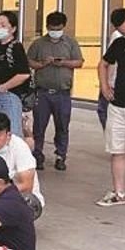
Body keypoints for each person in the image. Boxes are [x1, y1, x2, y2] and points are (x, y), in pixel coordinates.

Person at [27, 11, 84, 171]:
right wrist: (42, 64)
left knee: (62, 126)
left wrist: (64, 62)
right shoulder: (38, 44)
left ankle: (61, 156)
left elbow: (79, 62)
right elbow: (29, 61)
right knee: (39, 127)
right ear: (47, 27)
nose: (55, 31)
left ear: (63, 27)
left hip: (62, 93)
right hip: (42, 92)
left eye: (58, 28)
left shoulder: (70, 43)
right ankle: (37, 155)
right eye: (52, 28)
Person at [97, 16, 125, 206]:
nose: (118, 27)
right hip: (118, 105)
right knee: (118, 150)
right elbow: (103, 64)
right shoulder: (119, 43)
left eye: (121, 22)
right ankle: (119, 193)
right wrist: (104, 86)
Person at [0, 11, 31, 137]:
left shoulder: (15, 47)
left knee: (12, 134)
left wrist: (4, 87)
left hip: (9, 96)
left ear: (13, 29)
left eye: (3, 25)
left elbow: (24, 74)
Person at [98, 8, 125, 129]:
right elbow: (104, 64)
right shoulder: (119, 40)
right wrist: (105, 86)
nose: (121, 29)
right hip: (118, 95)